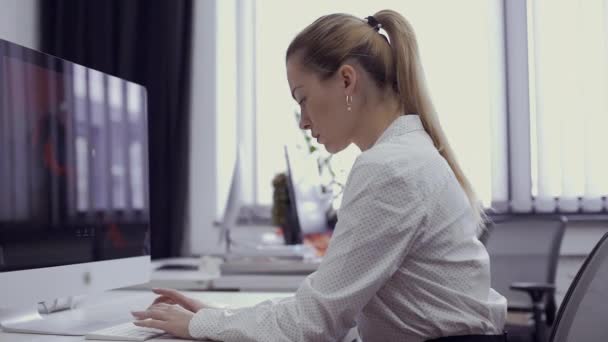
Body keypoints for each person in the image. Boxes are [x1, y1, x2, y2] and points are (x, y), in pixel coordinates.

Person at [131, 10, 507, 342]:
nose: (303, 121)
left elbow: (311, 324)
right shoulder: (409, 153)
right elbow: (333, 310)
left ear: (347, 80)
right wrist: (219, 317)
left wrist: (204, 325)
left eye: (302, 98)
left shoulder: (390, 168)